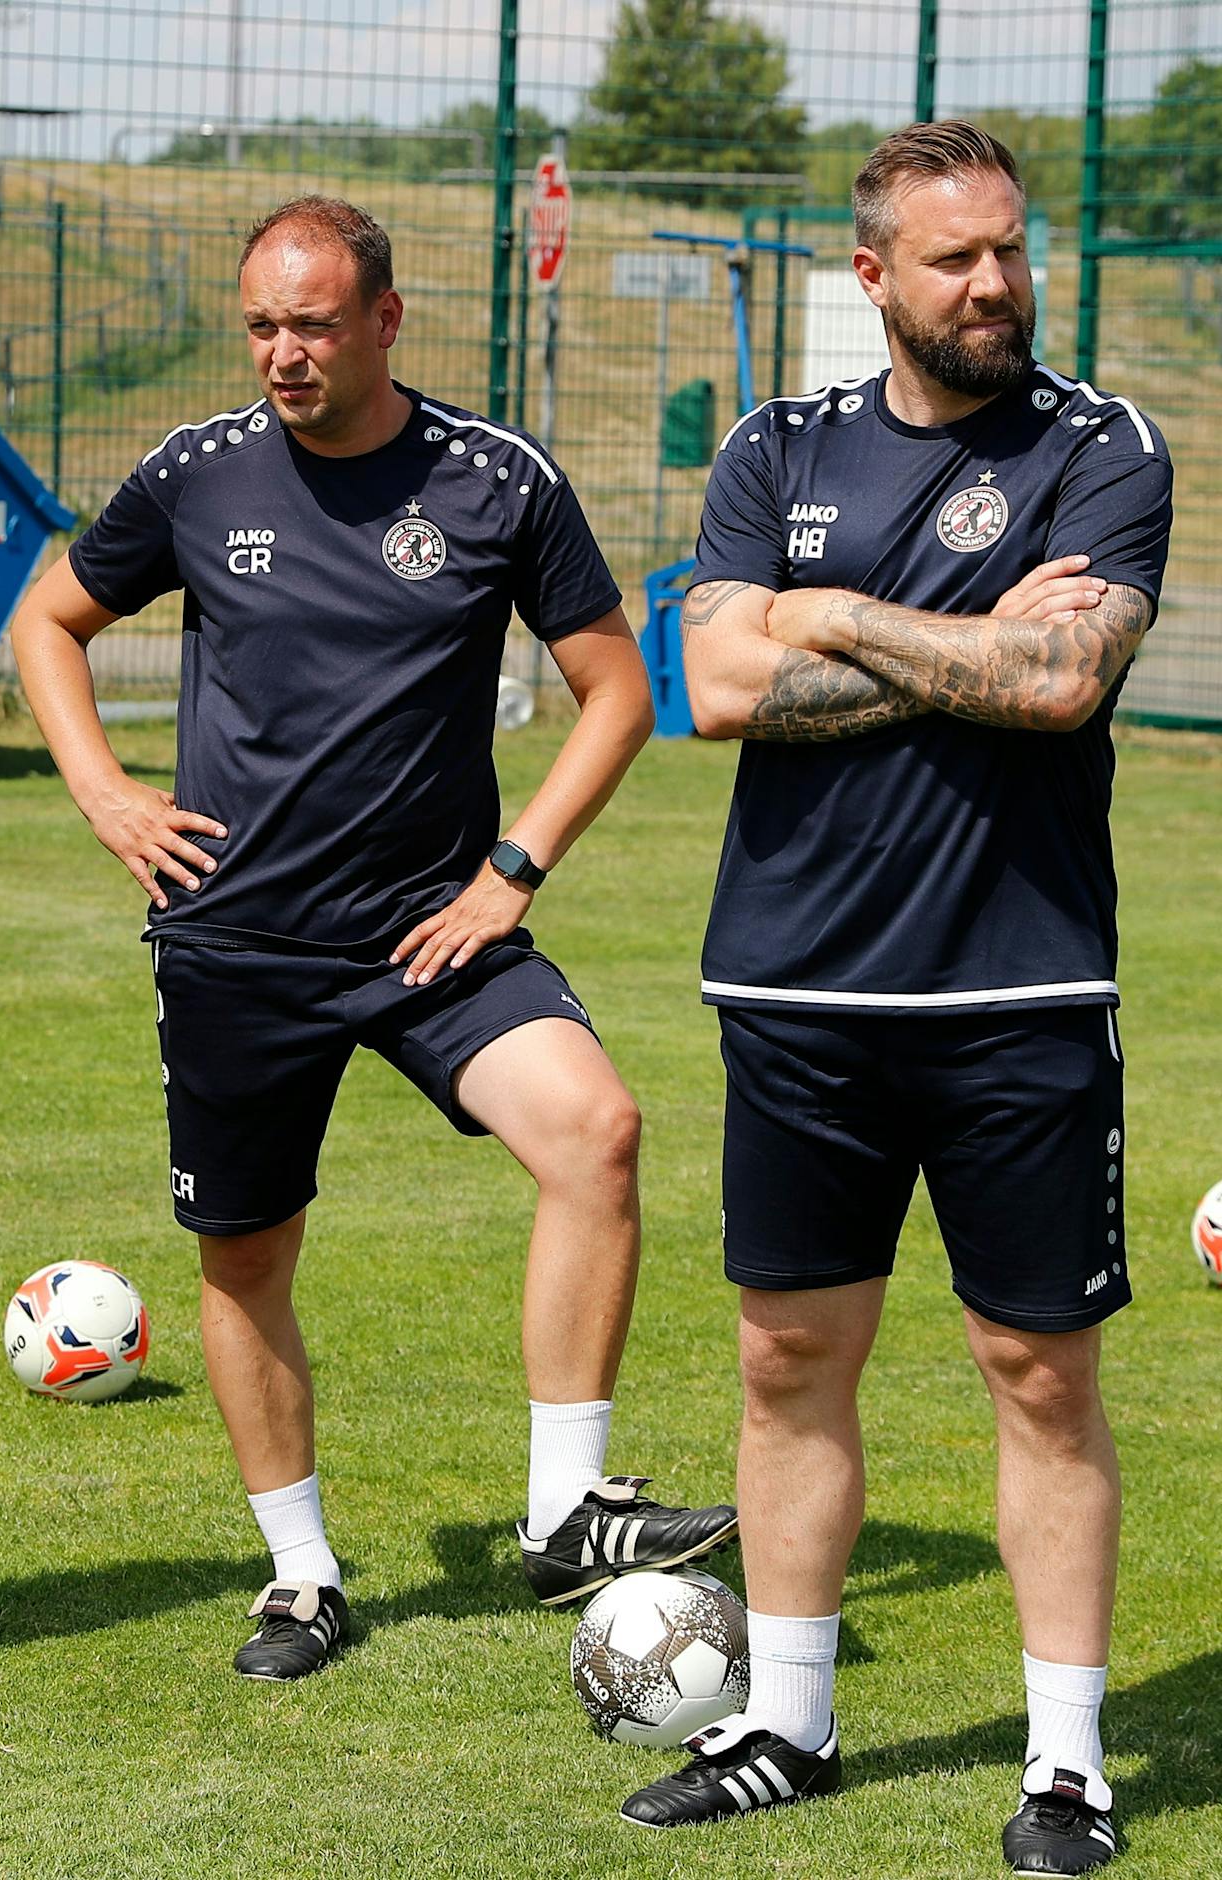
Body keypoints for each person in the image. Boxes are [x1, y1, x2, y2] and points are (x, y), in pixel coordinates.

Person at [11, 195, 737, 1682]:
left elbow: (617, 689)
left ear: (386, 321)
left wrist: (513, 869)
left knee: (597, 1130)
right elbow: (49, 623)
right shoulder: (197, 475)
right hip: (237, 945)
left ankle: (564, 1505)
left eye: (315, 324)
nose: (284, 352)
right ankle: (300, 1576)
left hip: (430, 934)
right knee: (244, 1261)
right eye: (264, 324)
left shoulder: (495, 483)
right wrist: (104, 793)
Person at [618, 124, 1170, 1879]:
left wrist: (839, 611)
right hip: (793, 991)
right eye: (955, 258)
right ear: (872, 277)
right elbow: (710, 687)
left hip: (1020, 987)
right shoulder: (770, 446)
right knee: (787, 1361)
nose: (994, 281)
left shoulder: (1103, 445)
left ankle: (1068, 1764)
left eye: (1009, 249)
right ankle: (788, 1719)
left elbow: (1066, 677)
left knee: (1037, 1372)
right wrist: (959, 645)